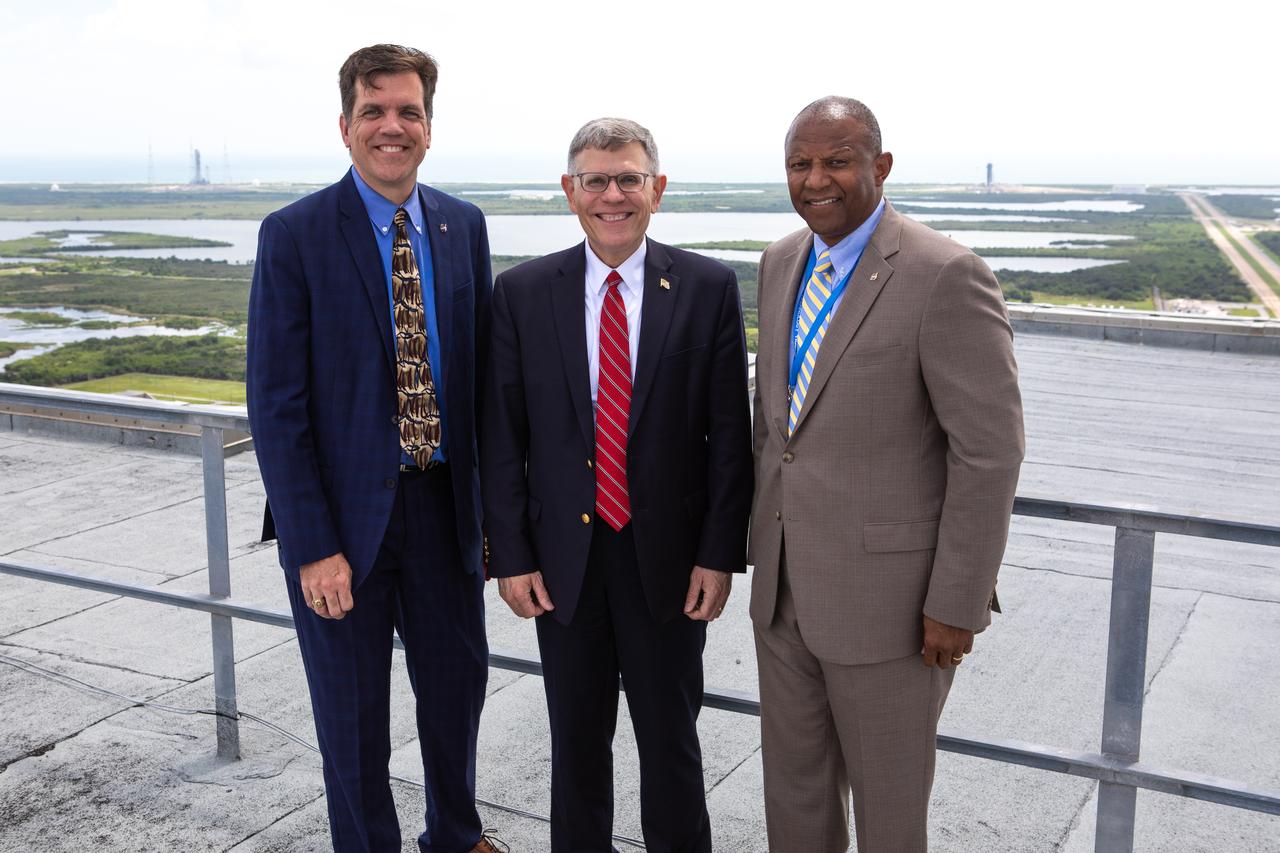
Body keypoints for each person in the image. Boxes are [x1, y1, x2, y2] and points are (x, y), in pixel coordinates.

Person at [748, 96, 1025, 852]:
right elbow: (778, 431)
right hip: (782, 593)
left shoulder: (946, 275)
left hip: (894, 611)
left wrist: (958, 602)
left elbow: (989, 451)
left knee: (890, 813)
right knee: (794, 798)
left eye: (836, 160)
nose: (816, 179)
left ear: (881, 166)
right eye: (800, 163)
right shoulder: (779, 262)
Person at [247, 44, 502, 853]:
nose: (392, 126)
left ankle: (456, 838)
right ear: (346, 125)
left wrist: (494, 515)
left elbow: (481, 381)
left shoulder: (463, 225)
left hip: (443, 508)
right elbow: (276, 406)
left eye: (409, 112)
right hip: (342, 524)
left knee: (456, 692)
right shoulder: (294, 234)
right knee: (353, 715)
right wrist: (312, 545)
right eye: (374, 111)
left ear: (429, 125)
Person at [481, 117, 753, 853]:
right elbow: (502, 439)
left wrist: (719, 554)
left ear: (656, 189)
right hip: (562, 563)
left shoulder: (706, 287)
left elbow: (731, 438)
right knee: (574, 746)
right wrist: (509, 555)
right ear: (570, 192)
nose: (612, 194)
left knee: (671, 745)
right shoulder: (523, 292)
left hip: (669, 560)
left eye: (628, 178)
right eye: (595, 180)